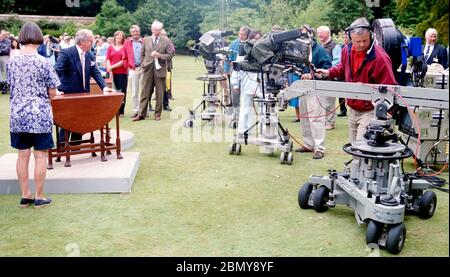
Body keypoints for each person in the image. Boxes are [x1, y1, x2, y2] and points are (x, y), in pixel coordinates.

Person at [6, 22, 61, 208]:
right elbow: (53, 91)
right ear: (38, 37)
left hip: (18, 114)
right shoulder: (43, 62)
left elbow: (11, 87)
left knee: (22, 155)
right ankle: (39, 195)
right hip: (39, 114)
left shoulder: (12, 60)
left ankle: (25, 194)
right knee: (40, 156)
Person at [316, 17, 397, 143]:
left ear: (371, 35)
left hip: (370, 111)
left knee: (362, 148)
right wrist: (329, 72)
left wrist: (388, 112)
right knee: (354, 148)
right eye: (357, 42)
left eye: (365, 40)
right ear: (350, 38)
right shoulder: (346, 51)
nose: (362, 44)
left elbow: (390, 86)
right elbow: (343, 68)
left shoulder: (380, 58)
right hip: (352, 109)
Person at [55, 29, 114, 142]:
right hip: (67, 94)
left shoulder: (90, 54)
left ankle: (76, 146)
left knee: (81, 121)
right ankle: (62, 146)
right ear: (82, 41)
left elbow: (95, 72)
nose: (93, 43)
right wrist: (55, 88)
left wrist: (104, 87)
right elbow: (57, 71)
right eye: (90, 41)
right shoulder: (66, 53)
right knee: (66, 121)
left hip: (84, 94)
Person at [296, 25, 332, 160]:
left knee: (316, 119)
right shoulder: (300, 50)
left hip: (316, 87)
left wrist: (313, 75)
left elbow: (327, 68)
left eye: (305, 34)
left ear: (311, 35)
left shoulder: (319, 50)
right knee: (304, 117)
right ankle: (308, 144)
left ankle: (319, 148)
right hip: (302, 86)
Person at [132, 20, 174, 121]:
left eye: (159, 30)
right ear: (152, 30)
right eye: (155, 30)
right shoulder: (146, 40)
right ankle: (141, 114)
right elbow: (142, 53)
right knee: (144, 92)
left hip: (160, 70)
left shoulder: (166, 41)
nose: (157, 32)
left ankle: (157, 114)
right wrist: (143, 63)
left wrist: (159, 56)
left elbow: (170, 55)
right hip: (147, 69)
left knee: (159, 94)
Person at [231, 31, 262, 136]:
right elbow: (236, 69)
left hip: (260, 86)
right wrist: (235, 84)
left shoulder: (263, 53)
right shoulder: (243, 52)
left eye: (259, 38)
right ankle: (243, 131)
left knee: (264, 109)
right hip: (246, 84)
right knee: (245, 108)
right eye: (255, 38)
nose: (256, 41)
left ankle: (265, 132)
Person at [317, 25, 342, 130]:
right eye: (318, 33)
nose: (319, 35)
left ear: (328, 33)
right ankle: (323, 121)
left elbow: (337, 62)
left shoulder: (335, 46)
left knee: (329, 102)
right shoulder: (319, 46)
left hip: (330, 77)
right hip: (319, 77)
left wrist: (326, 71)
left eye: (321, 32)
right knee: (321, 101)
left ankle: (330, 122)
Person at [106, 30, 129, 116]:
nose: (119, 37)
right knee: (112, 92)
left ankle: (121, 111)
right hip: (112, 74)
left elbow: (123, 61)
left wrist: (112, 67)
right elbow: (108, 59)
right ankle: (114, 111)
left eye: (121, 36)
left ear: (123, 38)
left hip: (122, 73)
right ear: (115, 37)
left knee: (122, 92)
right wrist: (109, 68)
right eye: (118, 36)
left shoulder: (124, 48)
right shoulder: (110, 48)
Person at [124, 25, 143, 118]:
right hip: (133, 69)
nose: (135, 33)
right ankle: (136, 110)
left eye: (137, 31)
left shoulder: (145, 41)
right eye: (133, 32)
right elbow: (124, 58)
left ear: (139, 32)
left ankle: (144, 110)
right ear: (131, 33)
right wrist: (128, 68)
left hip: (144, 69)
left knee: (144, 91)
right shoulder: (127, 43)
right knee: (135, 92)